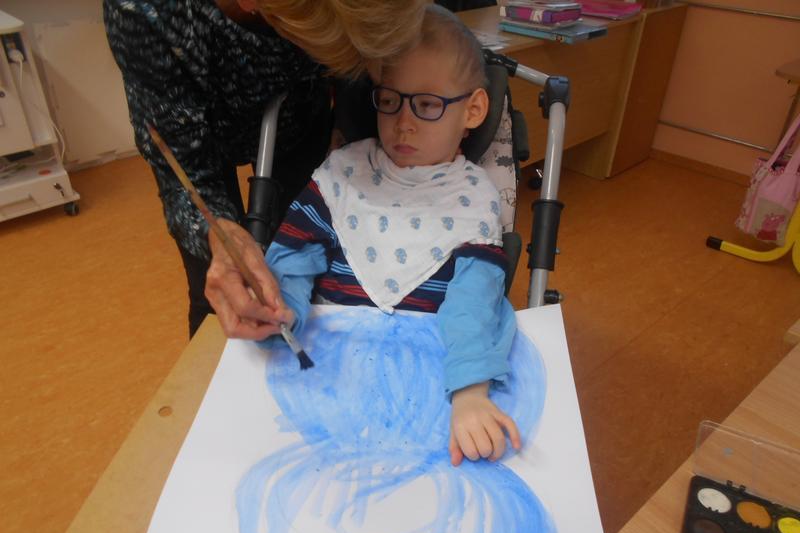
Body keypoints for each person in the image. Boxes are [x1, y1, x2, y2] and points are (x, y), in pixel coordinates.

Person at [265, 5, 521, 467]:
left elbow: (473, 304)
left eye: (427, 105)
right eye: (389, 100)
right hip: (327, 355)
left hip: (426, 365)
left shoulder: (473, 197)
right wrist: (282, 307)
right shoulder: (345, 171)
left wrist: (470, 392)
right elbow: (295, 253)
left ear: (473, 110)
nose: (403, 123)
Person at [104, 0, 427, 338]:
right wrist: (218, 234)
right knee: (224, 288)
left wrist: (347, 126)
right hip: (199, 139)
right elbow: (183, 169)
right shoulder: (145, 10)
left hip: (300, 120)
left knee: (299, 256)